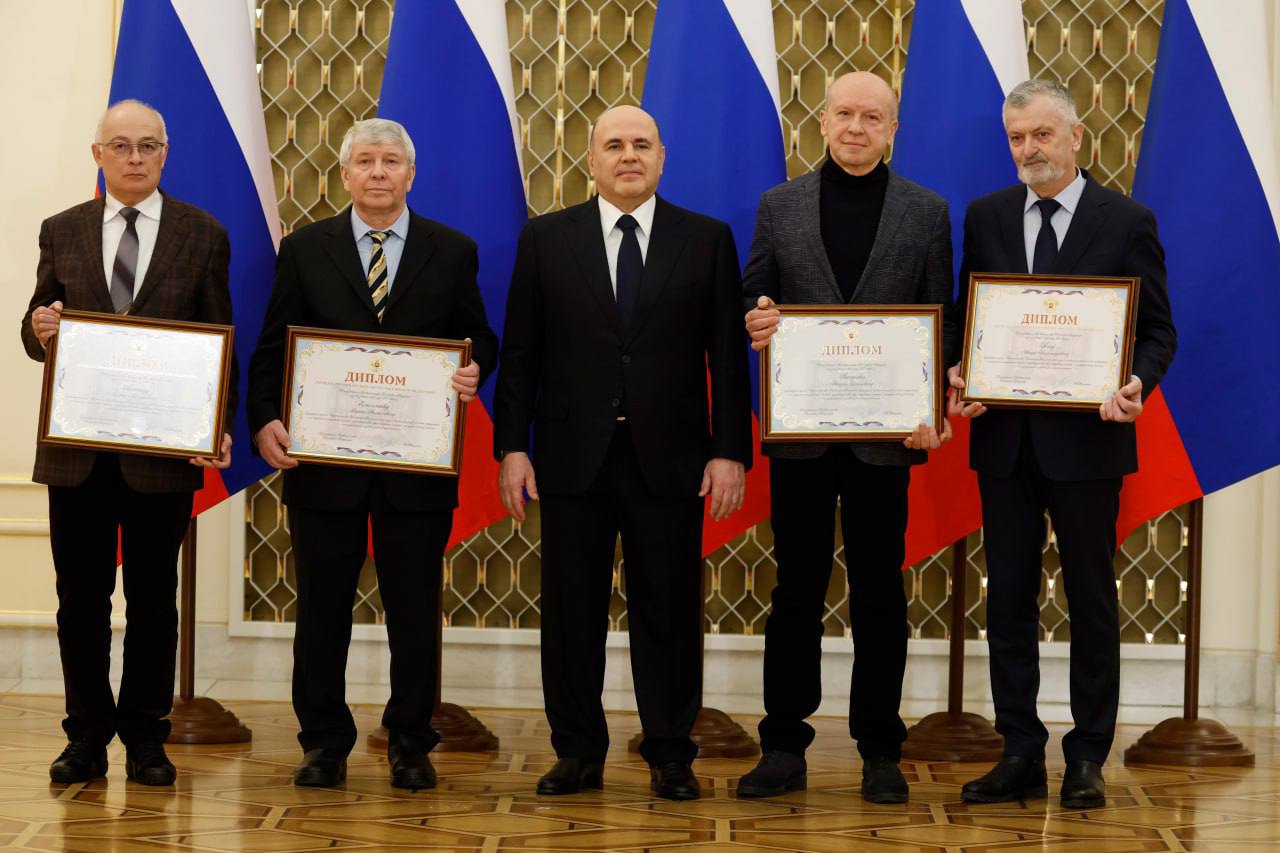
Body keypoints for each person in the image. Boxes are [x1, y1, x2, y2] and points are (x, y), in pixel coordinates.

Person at [493, 105, 752, 801]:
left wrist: (729, 450)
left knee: (669, 612)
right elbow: (520, 354)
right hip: (570, 458)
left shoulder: (706, 240)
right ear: (591, 159)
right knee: (571, 613)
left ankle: (671, 752)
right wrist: (512, 446)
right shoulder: (547, 239)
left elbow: (728, 357)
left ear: (663, 158)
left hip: (671, 459)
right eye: (614, 145)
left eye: (641, 144)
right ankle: (577, 752)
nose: (628, 155)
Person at [247, 118, 498, 791]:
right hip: (324, 466)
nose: (379, 172)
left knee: (414, 613)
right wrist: (265, 420)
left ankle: (410, 742)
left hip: (415, 468)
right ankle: (323, 743)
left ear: (411, 175)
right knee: (321, 611)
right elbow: (273, 346)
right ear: (345, 174)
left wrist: (475, 367)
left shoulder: (453, 250)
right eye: (365, 161)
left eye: (391, 161)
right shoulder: (305, 249)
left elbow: (478, 336)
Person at [951, 79, 1176, 809]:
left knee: (1091, 600)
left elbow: (1158, 330)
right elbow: (968, 316)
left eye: (1042, 134)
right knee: (1008, 601)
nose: (1029, 149)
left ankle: (1086, 756)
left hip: (1089, 446)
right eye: (1017, 138)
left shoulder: (1127, 220)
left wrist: (1137, 381)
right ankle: (1019, 749)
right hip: (1005, 444)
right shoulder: (986, 216)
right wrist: (960, 369)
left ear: (1077, 137)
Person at [737, 71, 956, 804]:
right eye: (844, 114)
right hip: (801, 435)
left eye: (872, 117)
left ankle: (880, 748)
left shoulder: (927, 212)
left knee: (879, 593)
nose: (856, 128)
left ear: (892, 129)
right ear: (823, 121)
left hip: (886, 439)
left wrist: (932, 405)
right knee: (794, 589)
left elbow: (939, 317)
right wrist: (757, 317)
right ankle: (782, 744)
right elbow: (753, 293)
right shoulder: (780, 205)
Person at [20, 99, 235, 786]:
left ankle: (146, 738)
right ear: (99, 155)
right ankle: (84, 737)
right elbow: (35, 328)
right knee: (80, 603)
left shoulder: (203, 234)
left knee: (153, 603)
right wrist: (40, 327)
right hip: (76, 455)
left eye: (148, 146)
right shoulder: (62, 229)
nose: (134, 157)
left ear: (165, 154)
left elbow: (219, 337)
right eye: (120, 145)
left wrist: (217, 423)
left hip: (161, 456)